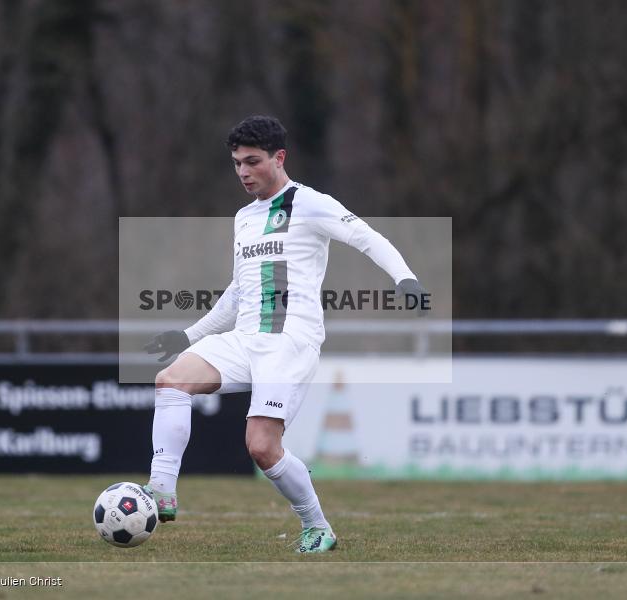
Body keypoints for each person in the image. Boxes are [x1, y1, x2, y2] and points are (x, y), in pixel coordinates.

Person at [143, 115, 427, 553]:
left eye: (252, 162)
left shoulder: (310, 203)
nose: (243, 172)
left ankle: (317, 526)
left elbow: (366, 237)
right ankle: (160, 489)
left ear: (279, 158)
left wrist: (404, 279)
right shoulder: (244, 218)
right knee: (170, 381)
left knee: (260, 447)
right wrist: (188, 335)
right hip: (245, 336)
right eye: (237, 163)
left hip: (289, 341)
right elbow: (238, 292)